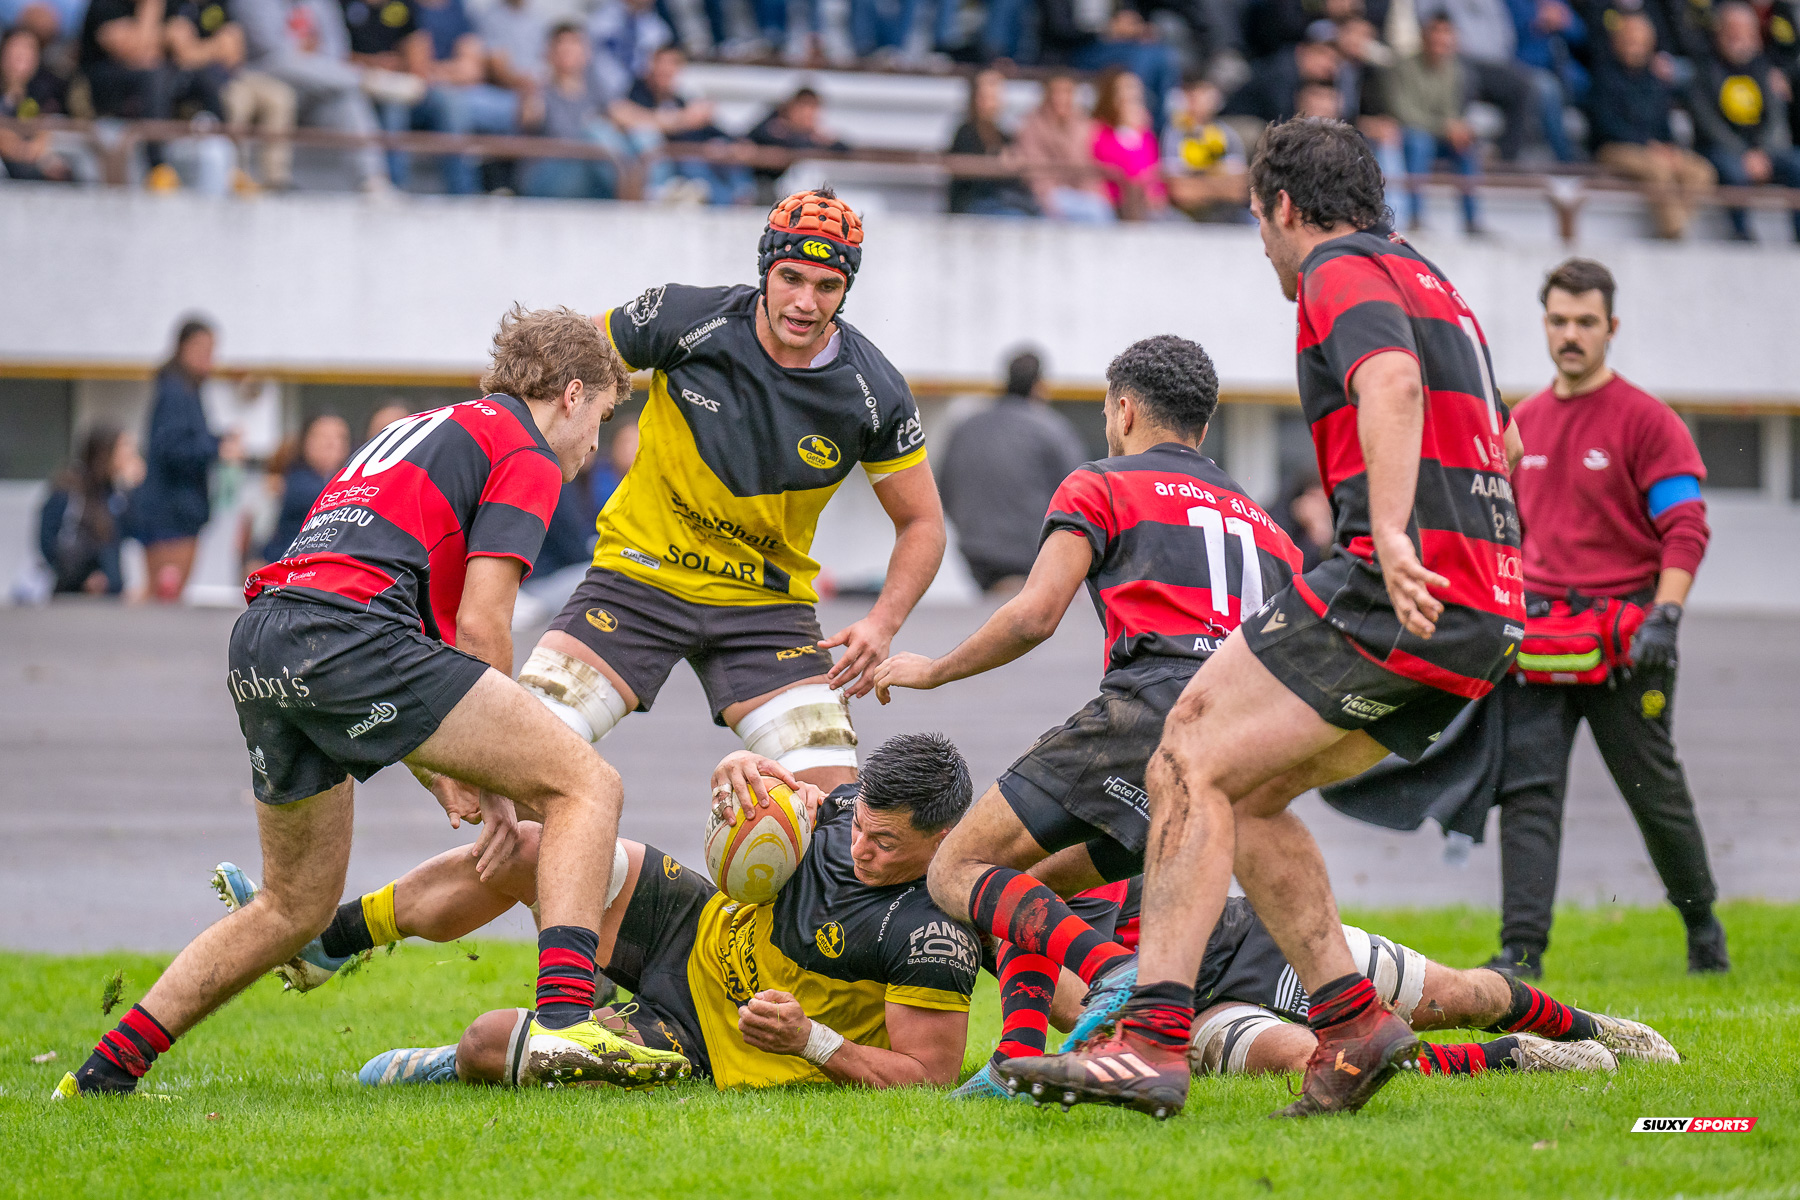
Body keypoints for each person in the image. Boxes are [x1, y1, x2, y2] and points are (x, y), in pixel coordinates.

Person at [1009, 118, 1525, 1121]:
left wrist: (1388, 535)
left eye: (1257, 219)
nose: (1261, 243)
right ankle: (1357, 1021)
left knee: (1183, 755)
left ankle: (1152, 1041)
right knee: (1237, 796)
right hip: (1485, 603)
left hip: (1395, 582)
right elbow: (1493, 432)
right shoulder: (1435, 281)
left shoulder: (1338, 267)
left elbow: (1393, 384)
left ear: (1287, 208)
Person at [53, 305, 682, 1100]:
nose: (594, 443)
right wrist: (504, 787)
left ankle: (102, 1075)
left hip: (266, 639)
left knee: (294, 907)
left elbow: (421, 646)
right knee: (589, 785)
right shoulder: (524, 451)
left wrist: (457, 772)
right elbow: (482, 623)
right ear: (571, 392)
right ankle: (564, 1023)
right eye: (601, 417)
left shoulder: (436, 426)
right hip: (346, 638)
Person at [868, 334, 1305, 1102]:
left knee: (957, 871)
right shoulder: (1268, 529)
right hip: (1235, 736)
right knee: (1039, 886)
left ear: (1125, 409)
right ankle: (1012, 1067)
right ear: (1203, 426)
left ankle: (1114, 975)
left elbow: (1036, 614)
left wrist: (934, 670)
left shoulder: (1101, 482)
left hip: (1148, 712)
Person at [511, 189, 944, 825]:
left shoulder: (873, 390)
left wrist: (882, 623)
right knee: (518, 770)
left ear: (847, 290)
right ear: (765, 268)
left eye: (827, 286)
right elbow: (560, 371)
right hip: (639, 578)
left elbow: (924, 523)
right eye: (791, 277)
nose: (804, 302)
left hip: (765, 609)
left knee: (834, 823)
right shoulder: (686, 316)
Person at [222, 735, 981, 1090]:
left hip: (709, 1040)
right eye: (859, 827)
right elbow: (760, 809)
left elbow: (927, 1076)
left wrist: (812, 1041)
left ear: (942, 839)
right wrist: (734, 775)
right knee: (531, 847)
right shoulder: (848, 805)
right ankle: (329, 942)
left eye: (885, 844)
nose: (859, 847)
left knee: (488, 1042)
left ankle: (448, 1068)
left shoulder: (935, 932)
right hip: (693, 924)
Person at [1492, 258, 1726, 977]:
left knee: (1654, 793)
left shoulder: (1648, 422)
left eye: (1585, 322)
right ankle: (1521, 954)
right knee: (1527, 796)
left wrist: (1667, 616)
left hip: (1630, 644)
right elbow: (1502, 534)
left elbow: (1684, 526)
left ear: (1611, 327)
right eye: (1559, 320)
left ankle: (1702, 929)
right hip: (1539, 643)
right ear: (1545, 324)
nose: (1571, 334)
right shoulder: (1521, 424)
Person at [1023, 882, 1678, 1083]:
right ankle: (1511, 1057)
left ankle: (1599, 1029)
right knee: (1304, 1062)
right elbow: (1078, 1002)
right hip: (1181, 1009)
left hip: (1249, 938)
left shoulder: (1065, 842)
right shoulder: (987, 910)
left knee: (1455, 996)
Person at [938, 348, 1086, 593]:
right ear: (1039, 386)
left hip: (976, 553)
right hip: (1030, 555)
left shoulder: (966, 427)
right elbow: (1081, 494)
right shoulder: (1051, 429)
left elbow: (942, 488)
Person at [233, 0, 400, 192]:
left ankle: (372, 182)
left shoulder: (322, 3)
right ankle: (366, 80)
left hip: (316, 85)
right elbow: (270, 49)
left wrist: (310, 58)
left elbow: (337, 52)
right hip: (267, 78)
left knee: (349, 99)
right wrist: (309, 56)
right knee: (288, 63)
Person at [134, 318, 243, 603]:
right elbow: (172, 447)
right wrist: (217, 448)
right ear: (183, 347)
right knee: (164, 598)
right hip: (171, 514)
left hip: (177, 511)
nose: (210, 357)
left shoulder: (186, 389)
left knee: (164, 596)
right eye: (203, 348)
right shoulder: (174, 391)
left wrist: (219, 441)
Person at [1589, 12, 1717, 239]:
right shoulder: (1603, 76)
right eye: (1629, 40)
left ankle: (1677, 226)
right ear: (1616, 42)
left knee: (1701, 171)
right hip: (1615, 148)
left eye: (1639, 41)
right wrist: (1649, 146)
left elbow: (1663, 123)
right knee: (1658, 170)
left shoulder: (1655, 80)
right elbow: (1605, 125)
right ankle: (1673, 235)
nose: (1634, 46)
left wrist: (1669, 147)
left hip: (1653, 148)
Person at [1689, 1, 1800, 241]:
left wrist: (1763, 152)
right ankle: (1740, 233)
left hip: (1762, 150)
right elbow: (1708, 124)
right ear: (1720, 32)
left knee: (1796, 163)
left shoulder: (1763, 70)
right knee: (1732, 170)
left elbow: (1775, 118)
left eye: (1745, 31)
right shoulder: (1704, 71)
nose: (1738, 37)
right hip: (1721, 148)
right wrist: (1744, 154)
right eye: (1732, 30)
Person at [168, 0, 299, 189]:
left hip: (235, 76)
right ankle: (238, 175)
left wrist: (202, 49)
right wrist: (216, 47)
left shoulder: (221, 5)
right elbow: (185, 55)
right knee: (239, 101)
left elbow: (234, 53)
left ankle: (275, 179)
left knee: (280, 97)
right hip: (198, 83)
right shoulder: (178, 8)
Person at [609, 43, 751, 206]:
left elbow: (709, 127)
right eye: (661, 63)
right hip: (674, 162)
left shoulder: (679, 99)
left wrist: (734, 142)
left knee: (729, 153)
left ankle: (743, 200)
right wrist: (682, 120)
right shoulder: (637, 92)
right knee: (692, 165)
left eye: (672, 63)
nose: (665, 69)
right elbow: (625, 116)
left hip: (697, 154)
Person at [1388, 12, 1484, 233]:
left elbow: (1452, 110)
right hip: (1409, 133)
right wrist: (1445, 127)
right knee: (1419, 142)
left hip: (1441, 136)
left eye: (1446, 34)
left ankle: (1472, 221)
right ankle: (1415, 217)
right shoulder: (1403, 67)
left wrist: (1458, 128)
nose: (1441, 40)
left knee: (1465, 146)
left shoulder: (1456, 70)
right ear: (1423, 36)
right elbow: (1403, 112)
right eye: (1436, 33)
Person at [37, 426, 147, 596]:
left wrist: (136, 488)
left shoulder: (116, 492)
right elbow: (47, 539)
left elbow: (136, 530)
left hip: (110, 595)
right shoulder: (70, 488)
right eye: (124, 447)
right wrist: (82, 578)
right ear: (106, 451)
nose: (130, 454)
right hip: (73, 594)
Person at [1425, 0, 1539, 162]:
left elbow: (1504, 31)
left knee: (1524, 85)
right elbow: (1428, 22)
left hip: (1494, 62)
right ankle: (1452, 150)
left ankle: (1506, 160)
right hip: (1455, 57)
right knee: (1465, 79)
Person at [518, 22, 617, 201]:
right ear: (549, 52)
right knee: (595, 134)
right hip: (547, 175)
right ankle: (637, 188)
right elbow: (529, 117)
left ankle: (640, 187)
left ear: (586, 52)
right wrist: (532, 92)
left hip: (588, 174)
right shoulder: (542, 89)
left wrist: (675, 119)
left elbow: (626, 114)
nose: (567, 50)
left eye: (574, 44)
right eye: (561, 44)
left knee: (643, 135)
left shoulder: (595, 89)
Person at [1014, 73, 1115, 223]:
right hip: (1047, 194)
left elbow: (1087, 166)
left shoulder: (1084, 126)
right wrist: (1047, 198)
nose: (1061, 98)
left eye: (1066, 92)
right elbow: (1036, 171)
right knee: (1093, 212)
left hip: (1081, 192)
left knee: (1100, 208)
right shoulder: (1032, 127)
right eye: (1057, 92)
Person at [258, 412, 351, 565]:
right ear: (305, 441)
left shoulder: (351, 479)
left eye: (339, 437)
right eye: (322, 436)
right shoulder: (293, 478)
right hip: (286, 567)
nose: (330, 443)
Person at [945, 67, 1038, 217]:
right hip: (973, 203)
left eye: (995, 97)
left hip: (1001, 200)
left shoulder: (1003, 135)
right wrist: (997, 162)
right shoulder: (965, 132)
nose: (991, 102)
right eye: (986, 97)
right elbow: (966, 175)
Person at [1162, 74, 1249, 222]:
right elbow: (1179, 192)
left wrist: (1196, 185)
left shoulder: (1227, 135)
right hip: (1187, 215)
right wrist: (1220, 186)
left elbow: (1239, 190)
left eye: (1204, 93)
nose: (1198, 101)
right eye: (1192, 95)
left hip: (1227, 213)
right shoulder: (1174, 135)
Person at [1090, 67, 1167, 217]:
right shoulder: (1099, 132)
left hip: (1148, 205)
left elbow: (1153, 172)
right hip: (1113, 204)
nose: (1132, 95)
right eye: (1126, 89)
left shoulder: (1146, 136)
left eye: (1135, 89)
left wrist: (1156, 194)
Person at [1, 26, 73, 182]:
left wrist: (36, 148)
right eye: (17, 47)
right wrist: (17, 149)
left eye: (30, 49)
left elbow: (50, 124)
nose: (23, 54)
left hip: (34, 159)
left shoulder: (48, 88)